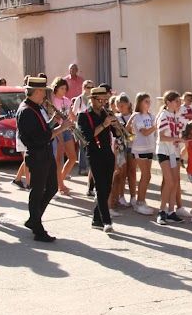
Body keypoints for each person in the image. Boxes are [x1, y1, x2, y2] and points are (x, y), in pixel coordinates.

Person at [17, 75, 68, 242]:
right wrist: (61, 128)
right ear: (37, 91)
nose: (45, 96)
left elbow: (43, 129)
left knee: (52, 187)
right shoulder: (26, 111)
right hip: (37, 155)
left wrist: (53, 120)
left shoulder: (37, 108)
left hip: (45, 154)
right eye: (43, 92)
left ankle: (34, 219)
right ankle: (37, 228)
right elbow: (40, 138)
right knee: (37, 191)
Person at [78, 86, 117, 233]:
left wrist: (117, 126)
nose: (104, 103)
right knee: (100, 187)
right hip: (94, 153)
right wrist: (104, 124)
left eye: (105, 101)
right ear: (92, 100)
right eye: (101, 100)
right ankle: (106, 221)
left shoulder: (107, 113)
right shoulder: (83, 116)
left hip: (108, 152)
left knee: (107, 187)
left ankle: (96, 218)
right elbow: (87, 137)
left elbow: (117, 133)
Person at [155, 90, 184, 225]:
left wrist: (181, 140)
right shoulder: (164, 115)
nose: (179, 103)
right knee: (169, 181)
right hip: (164, 151)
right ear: (168, 102)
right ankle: (162, 211)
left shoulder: (176, 115)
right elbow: (162, 137)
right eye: (176, 101)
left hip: (174, 152)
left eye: (180, 101)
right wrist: (178, 139)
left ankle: (171, 212)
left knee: (175, 182)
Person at [126, 92, 157, 215]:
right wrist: (156, 126)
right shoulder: (137, 116)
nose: (149, 104)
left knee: (147, 176)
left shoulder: (151, 115)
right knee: (146, 175)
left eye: (149, 101)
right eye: (146, 101)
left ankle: (141, 201)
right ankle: (139, 202)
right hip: (140, 149)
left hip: (150, 148)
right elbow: (144, 132)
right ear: (140, 103)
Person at [49, 77, 77, 195]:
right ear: (56, 88)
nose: (64, 90)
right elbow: (53, 118)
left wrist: (73, 122)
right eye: (62, 88)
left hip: (66, 130)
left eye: (65, 88)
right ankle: (60, 185)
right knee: (58, 159)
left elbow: (71, 115)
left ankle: (59, 181)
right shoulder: (52, 100)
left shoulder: (67, 100)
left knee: (72, 157)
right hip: (57, 130)